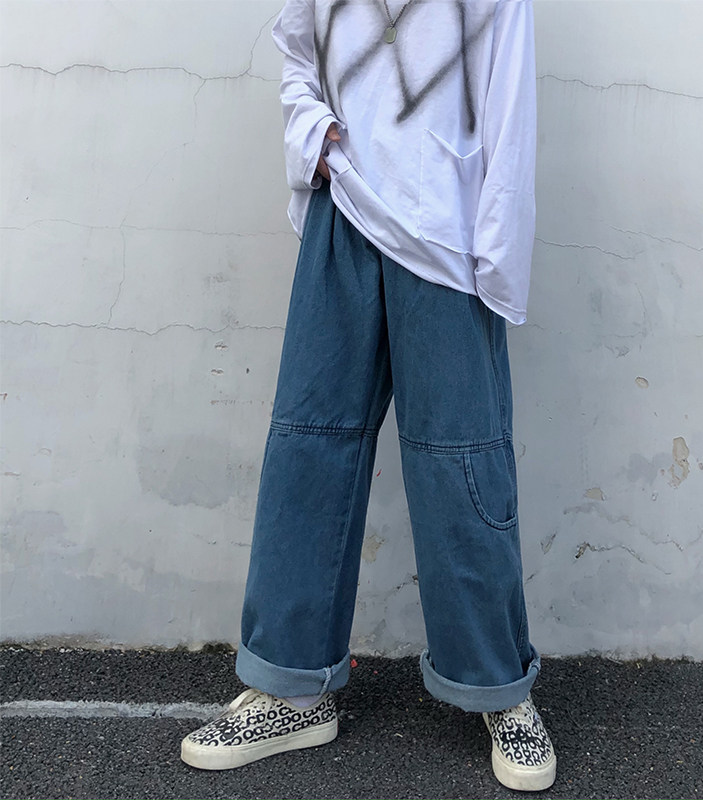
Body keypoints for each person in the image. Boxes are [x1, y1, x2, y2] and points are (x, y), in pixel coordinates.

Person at [180, 0, 556, 791]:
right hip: (346, 206)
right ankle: (290, 687)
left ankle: (498, 688)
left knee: (463, 462)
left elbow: (511, 95)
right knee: (308, 448)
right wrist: (312, 136)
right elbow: (297, 49)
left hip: (446, 234)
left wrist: (496, 255)